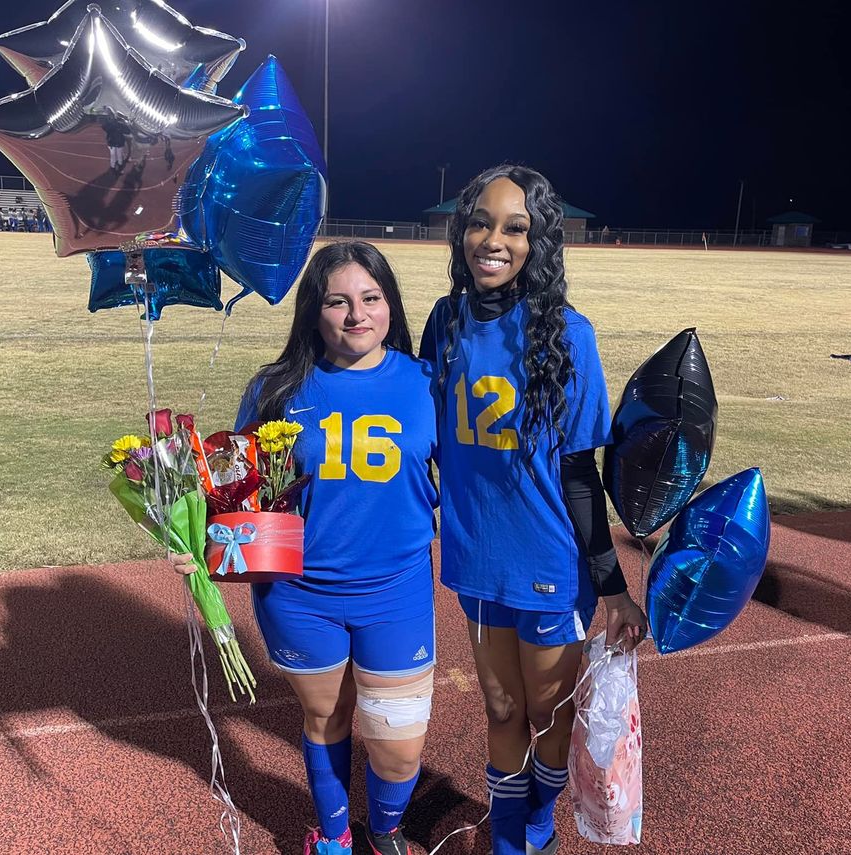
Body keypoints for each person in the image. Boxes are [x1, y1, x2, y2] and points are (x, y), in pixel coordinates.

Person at [172, 241, 438, 855]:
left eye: (371, 299)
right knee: (328, 720)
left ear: (390, 305)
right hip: (298, 594)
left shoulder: (428, 383)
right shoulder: (276, 388)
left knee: (398, 748)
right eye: (337, 301)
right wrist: (201, 541)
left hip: (395, 591)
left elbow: (468, 480)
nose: (356, 316)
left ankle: (388, 827)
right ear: (312, 312)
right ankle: (337, 835)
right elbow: (235, 494)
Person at [418, 164, 648, 855]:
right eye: (481, 223)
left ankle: (538, 821)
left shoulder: (570, 334)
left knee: (547, 712)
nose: (493, 240)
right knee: (502, 706)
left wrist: (612, 587)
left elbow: (581, 473)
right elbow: (417, 428)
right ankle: (513, 835)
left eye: (515, 228)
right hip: (476, 557)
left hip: (549, 560)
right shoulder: (444, 320)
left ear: (537, 240)